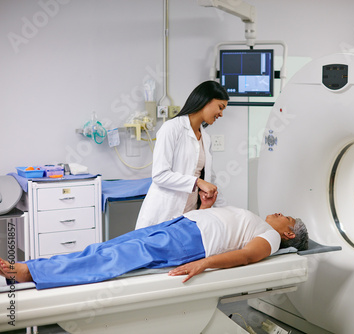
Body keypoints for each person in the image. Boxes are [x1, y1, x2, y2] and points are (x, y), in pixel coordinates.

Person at [0, 191, 308, 290]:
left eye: (287, 218)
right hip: (184, 226)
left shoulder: (271, 238)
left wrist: (203, 264)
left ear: (288, 233)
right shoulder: (258, 221)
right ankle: (33, 267)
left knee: (114, 258)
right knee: (107, 248)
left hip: (192, 243)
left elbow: (246, 257)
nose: (281, 213)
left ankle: (29, 272)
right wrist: (203, 207)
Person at [135, 80, 229, 230]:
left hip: (190, 214)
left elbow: (211, 179)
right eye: (220, 107)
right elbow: (159, 175)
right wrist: (197, 182)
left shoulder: (206, 138)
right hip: (164, 213)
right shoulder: (171, 129)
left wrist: (226, 213)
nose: (221, 114)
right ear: (205, 100)